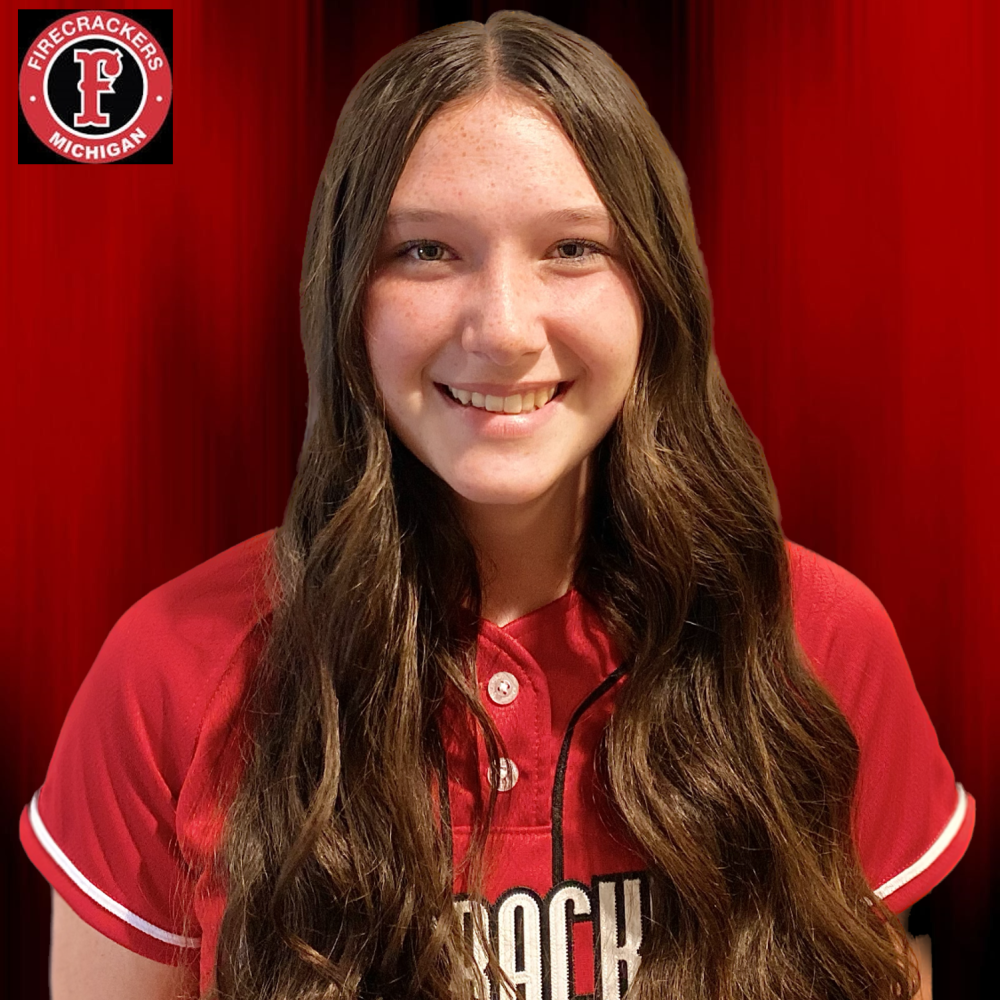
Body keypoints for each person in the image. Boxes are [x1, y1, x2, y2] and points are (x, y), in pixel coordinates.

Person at [20, 11, 973, 1000]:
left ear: (658, 293)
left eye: (573, 247)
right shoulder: (167, 670)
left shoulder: (822, 640)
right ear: (344, 294)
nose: (505, 330)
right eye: (428, 251)